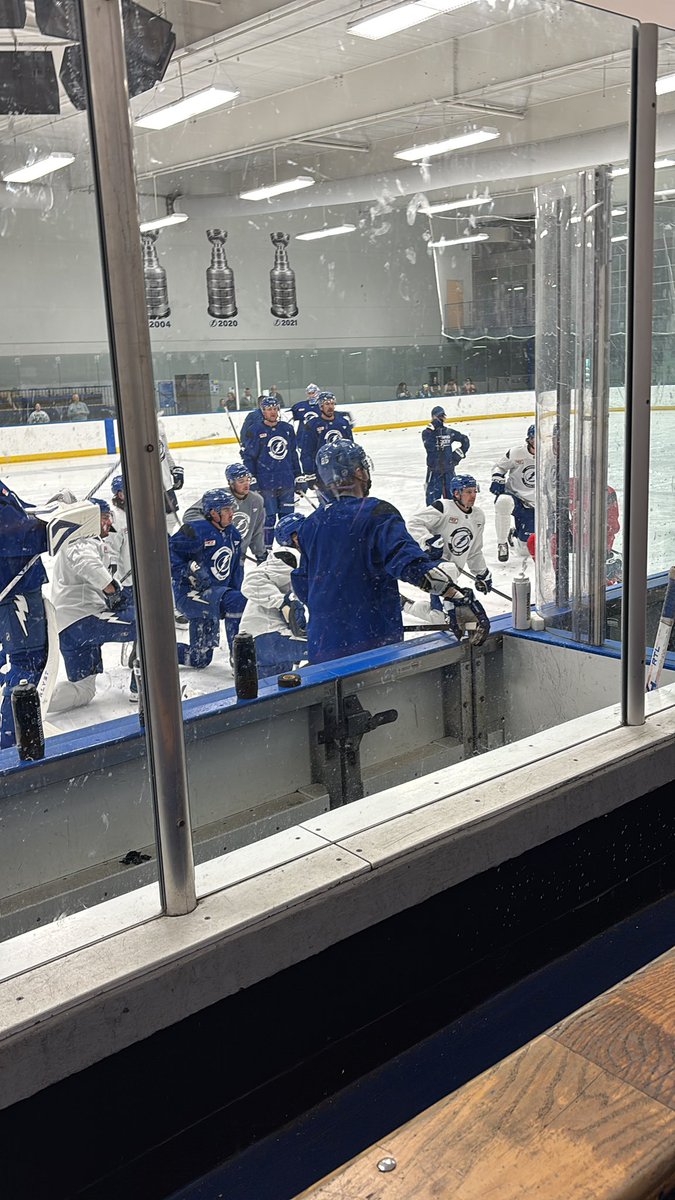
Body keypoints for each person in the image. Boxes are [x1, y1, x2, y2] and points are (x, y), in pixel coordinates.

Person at [291, 439, 487, 664]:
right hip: (373, 644)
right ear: (358, 472)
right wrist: (456, 596)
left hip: (323, 645)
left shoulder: (310, 524)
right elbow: (411, 565)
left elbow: (303, 584)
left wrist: (336, 613)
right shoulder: (376, 512)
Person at [49, 498, 137, 713]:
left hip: (70, 628)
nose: (109, 522)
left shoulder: (86, 540)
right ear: (89, 520)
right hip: (82, 621)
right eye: (104, 517)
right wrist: (112, 591)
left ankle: (25, 709)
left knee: (83, 691)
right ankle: (143, 687)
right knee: (145, 626)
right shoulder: (81, 540)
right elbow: (87, 563)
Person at [169, 488, 245, 668]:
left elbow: (234, 571)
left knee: (199, 659)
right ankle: (241, 658)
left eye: (232, 509)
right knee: (237, 602)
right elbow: (167, 557)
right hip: (190, 594)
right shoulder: (195, 530)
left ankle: (153, 652)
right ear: (213, 512)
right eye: (226, 510)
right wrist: (189, 571)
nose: (231, 513)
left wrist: (233, 593)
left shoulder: (234, 535)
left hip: (216, 595)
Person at [403, 475, 492, 624]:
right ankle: (451, 610)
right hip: (434, 572)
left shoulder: (478, 516)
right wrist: (427, 541)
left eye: (474, 491)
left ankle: (403, 604)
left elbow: (474, 551)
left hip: (452, 574)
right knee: (451, 613)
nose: (473, 496)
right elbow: (414, 523)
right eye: (468, 492)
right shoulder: (443, 507)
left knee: (438, 618)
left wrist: (482, 573)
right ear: (456, 493)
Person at [238, 513, 307, 678]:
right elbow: (251, 581)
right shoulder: (288, 556)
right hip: (265, 636)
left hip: (266, 641)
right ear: (294, 538)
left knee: (274, 695)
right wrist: (283, 604)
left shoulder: (303, 558)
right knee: (323, 649)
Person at [241, 396, 301, 546]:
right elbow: (249, 458)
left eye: (275, 409)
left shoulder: (287, 429)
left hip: (286, 481)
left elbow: (293, 454)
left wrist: (298, 476)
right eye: (269, 409)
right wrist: (251, 478)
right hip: (265, 483)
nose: (273, 412)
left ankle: (288, 549)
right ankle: (266, 551)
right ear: (263, 411)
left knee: (288, 518)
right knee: (269, 519)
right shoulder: (255, 430)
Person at [183, 463, 266, 564]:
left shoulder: (256, 500)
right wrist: (212, 529)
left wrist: (260, 553)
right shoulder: (219, 497)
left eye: (248, 480)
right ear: (230, 482)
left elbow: (257, 530)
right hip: (214, 554)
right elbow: (190, 515)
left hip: (238, 557)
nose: (246, 485)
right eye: (241, 481)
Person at [490, 423, 535, 562]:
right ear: (529, 439)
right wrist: (497, 478)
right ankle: (502, 543)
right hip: (516, 499)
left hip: (536, 504)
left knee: (525, 550)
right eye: (534, 439)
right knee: (503, 501)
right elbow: (499, 467)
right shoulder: (516, 453)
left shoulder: (551, 454)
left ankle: (514, 535)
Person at [422, 406, 470, 505]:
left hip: (449, 471)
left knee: (453, 501)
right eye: (438, 416)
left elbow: (465, 440)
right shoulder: (427, 433)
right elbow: (429, 447)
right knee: (432, 503)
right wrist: (431, 431)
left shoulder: (449, 432)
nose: (441, 418)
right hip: (434, 472)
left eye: (442, 416)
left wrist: (457, 455)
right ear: (433, 417)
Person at [301, 391, 353, 472]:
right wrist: (309, 471)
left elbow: (350, 446)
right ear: (321, 406)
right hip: (322, 470)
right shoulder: (312, 425)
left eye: (332, 403)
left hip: (342, 469)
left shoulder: (343, 423)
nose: (330, 407)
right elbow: (307, 452)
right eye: (327, 404)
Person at [157, 413, 184, 532]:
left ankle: (166, 542)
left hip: (166, 484)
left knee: (171, 518)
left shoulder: (158, 425)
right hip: (149, 489)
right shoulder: (136, 428)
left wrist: (173, 468)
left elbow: (165, 451)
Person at [291, 383, 321, 474]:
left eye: (313, 392)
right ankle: (309, 475)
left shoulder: (323, 406)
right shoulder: (299, 407)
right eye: (309, 393)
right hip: (304, 438)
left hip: (319, 438)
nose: (311, 395)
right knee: (306, 458)